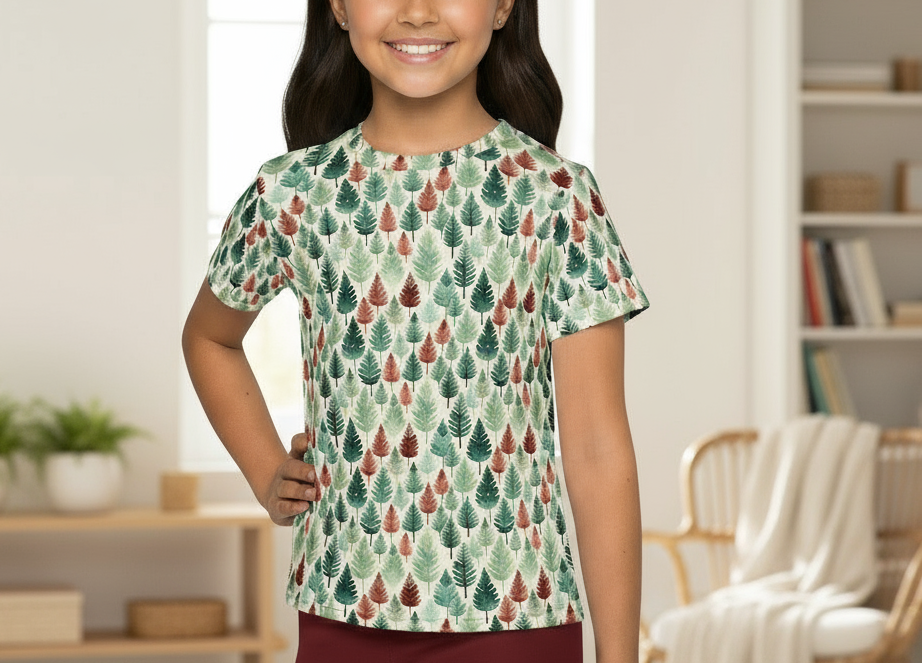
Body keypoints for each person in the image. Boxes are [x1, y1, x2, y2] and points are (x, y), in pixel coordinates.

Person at [182, 1, 650, 661]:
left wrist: (620, 655)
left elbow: (598, 448)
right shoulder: (292, 193)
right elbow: (209, 337)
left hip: (520, 617)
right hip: (341, 611)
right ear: (339, 8)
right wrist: (266, 470)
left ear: (502, 7)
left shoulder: (556, 198)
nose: (418, 11)